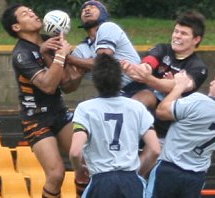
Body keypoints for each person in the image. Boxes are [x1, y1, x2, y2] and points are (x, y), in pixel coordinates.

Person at [1, 4, 82, 198]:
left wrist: (78, 73)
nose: (32, 13)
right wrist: (60, 56)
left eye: (31, 11)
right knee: (56, 174)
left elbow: (68, 87)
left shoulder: (50, 42)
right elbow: (47, 86)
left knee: (85, 163)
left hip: (60, 113)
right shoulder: (21, 54)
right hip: (36, 119)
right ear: (16, 27)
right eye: (25, 14)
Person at [146, 65, 215, 198]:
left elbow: (161, 112)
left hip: (169, 169)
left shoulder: (199, 100)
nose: (211, 83)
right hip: (196, 177)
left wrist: (178, 87)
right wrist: (174, 94)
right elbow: (195, 114)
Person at [69, 53, 161, 198]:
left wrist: (79, 169)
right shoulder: (136, 107)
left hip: (101, 181)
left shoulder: (85, 108)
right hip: (130, 181)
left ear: (95, 80)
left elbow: (75, 151)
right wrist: (138, 172)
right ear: (120, 79)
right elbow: (155, 149)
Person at [122, 11, 208, 139]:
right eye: (176, 31)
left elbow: (178, 86)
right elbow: (147, 65)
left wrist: (148, 79)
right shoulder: (162, 49)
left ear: (196, 39)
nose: (177, 36)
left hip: (165, 126)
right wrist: (135, 70)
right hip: (140, 104)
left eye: (183, 33)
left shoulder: (198, 68)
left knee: (146, 95)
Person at [67, 0, 147, 97]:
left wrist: (67, 58)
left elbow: (103, 62)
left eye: (92, 7)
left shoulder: (108, 27)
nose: (87, 9)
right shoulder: (81, 49)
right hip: (112, 94)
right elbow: (70, 86)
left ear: (103, 14)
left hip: (138, 87)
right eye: (84, 9)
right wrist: (57, 55)